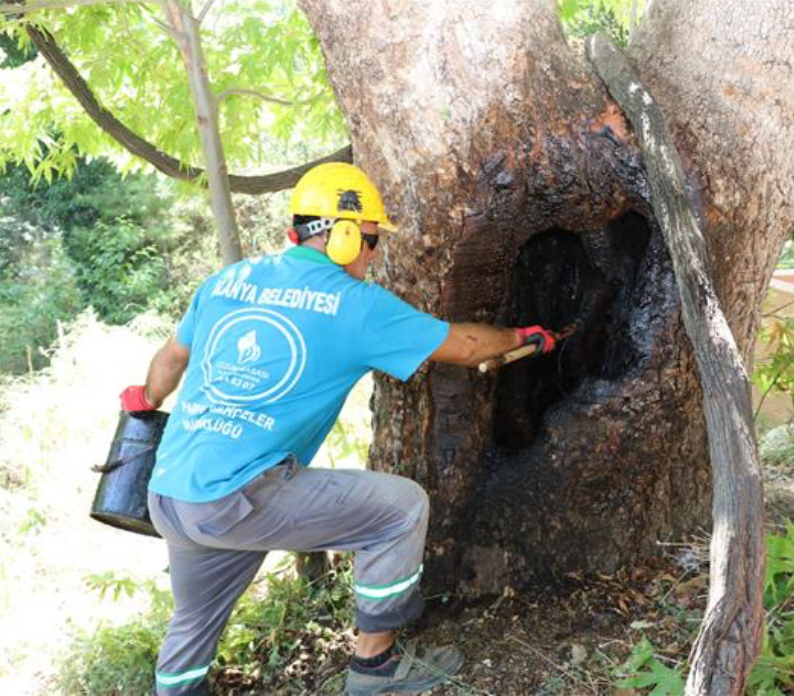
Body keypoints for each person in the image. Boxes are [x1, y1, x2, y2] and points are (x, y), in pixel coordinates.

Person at [119, 162, 559, 696]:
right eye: (372, 241)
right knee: (401, 509)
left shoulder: (227, 282)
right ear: (346, 235)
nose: (373, 256)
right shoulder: (355, 304)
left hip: (170, 492)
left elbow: (170, 359)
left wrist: (145, 400)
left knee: (192, 625)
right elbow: (466, 348)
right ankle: (375, 670)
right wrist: (526, 336)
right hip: (239, 496)